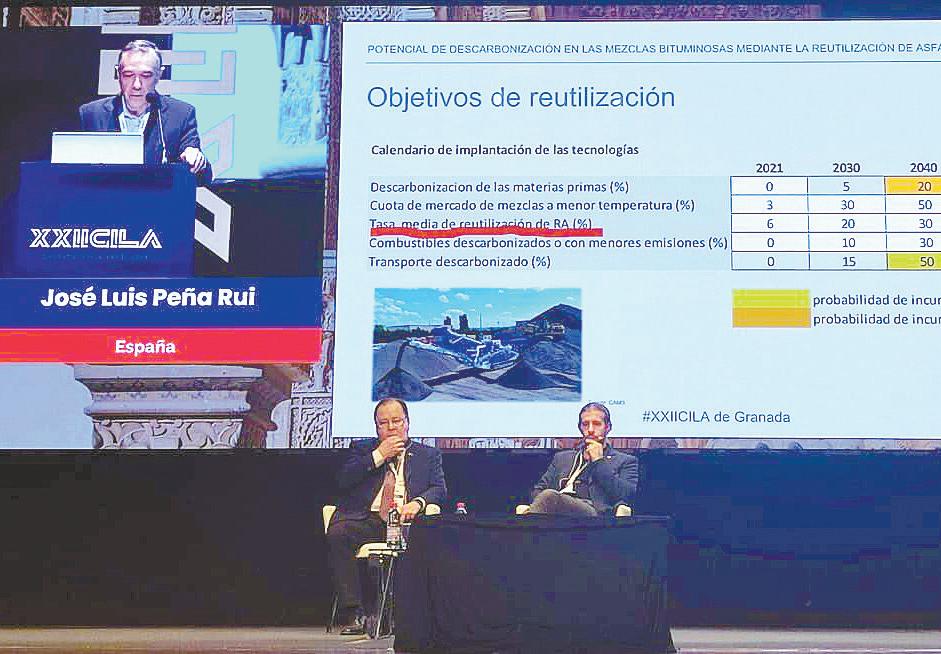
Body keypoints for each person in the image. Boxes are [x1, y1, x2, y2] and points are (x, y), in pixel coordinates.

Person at [327, 398, 447, 635]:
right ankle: (354, 614)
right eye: (384, 423)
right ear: (376, 427)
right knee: (338, 533)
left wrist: (418, 503)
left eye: (396, 421)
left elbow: (439, 489)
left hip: (406, 521)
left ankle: (412, 614)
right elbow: (343, 480)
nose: (391, 427)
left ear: (407, 423)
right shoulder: (362, 450)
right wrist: (379, 455)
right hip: (368, 519)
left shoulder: (427, 454)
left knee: (430, 540)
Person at [78, 40, 211, 183]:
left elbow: (202, 178)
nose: (137, 85)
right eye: (128, 74)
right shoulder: (92, 114)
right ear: (118, 74)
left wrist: (196, 160)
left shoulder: (180, 115)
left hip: (157, 196)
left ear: (159, 75)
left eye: (146, 76)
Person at [528, 402, 638, 516]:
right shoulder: (562, 458)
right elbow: (538, 491)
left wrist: (598, 461)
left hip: (592, 512)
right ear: (580, 427)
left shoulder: (625, 461)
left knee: (550, 496)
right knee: (547, 497)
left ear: (608, 427)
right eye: (585, 424)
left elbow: (628, 496)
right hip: (556, 507)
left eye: (596, 424)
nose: (590, 429)